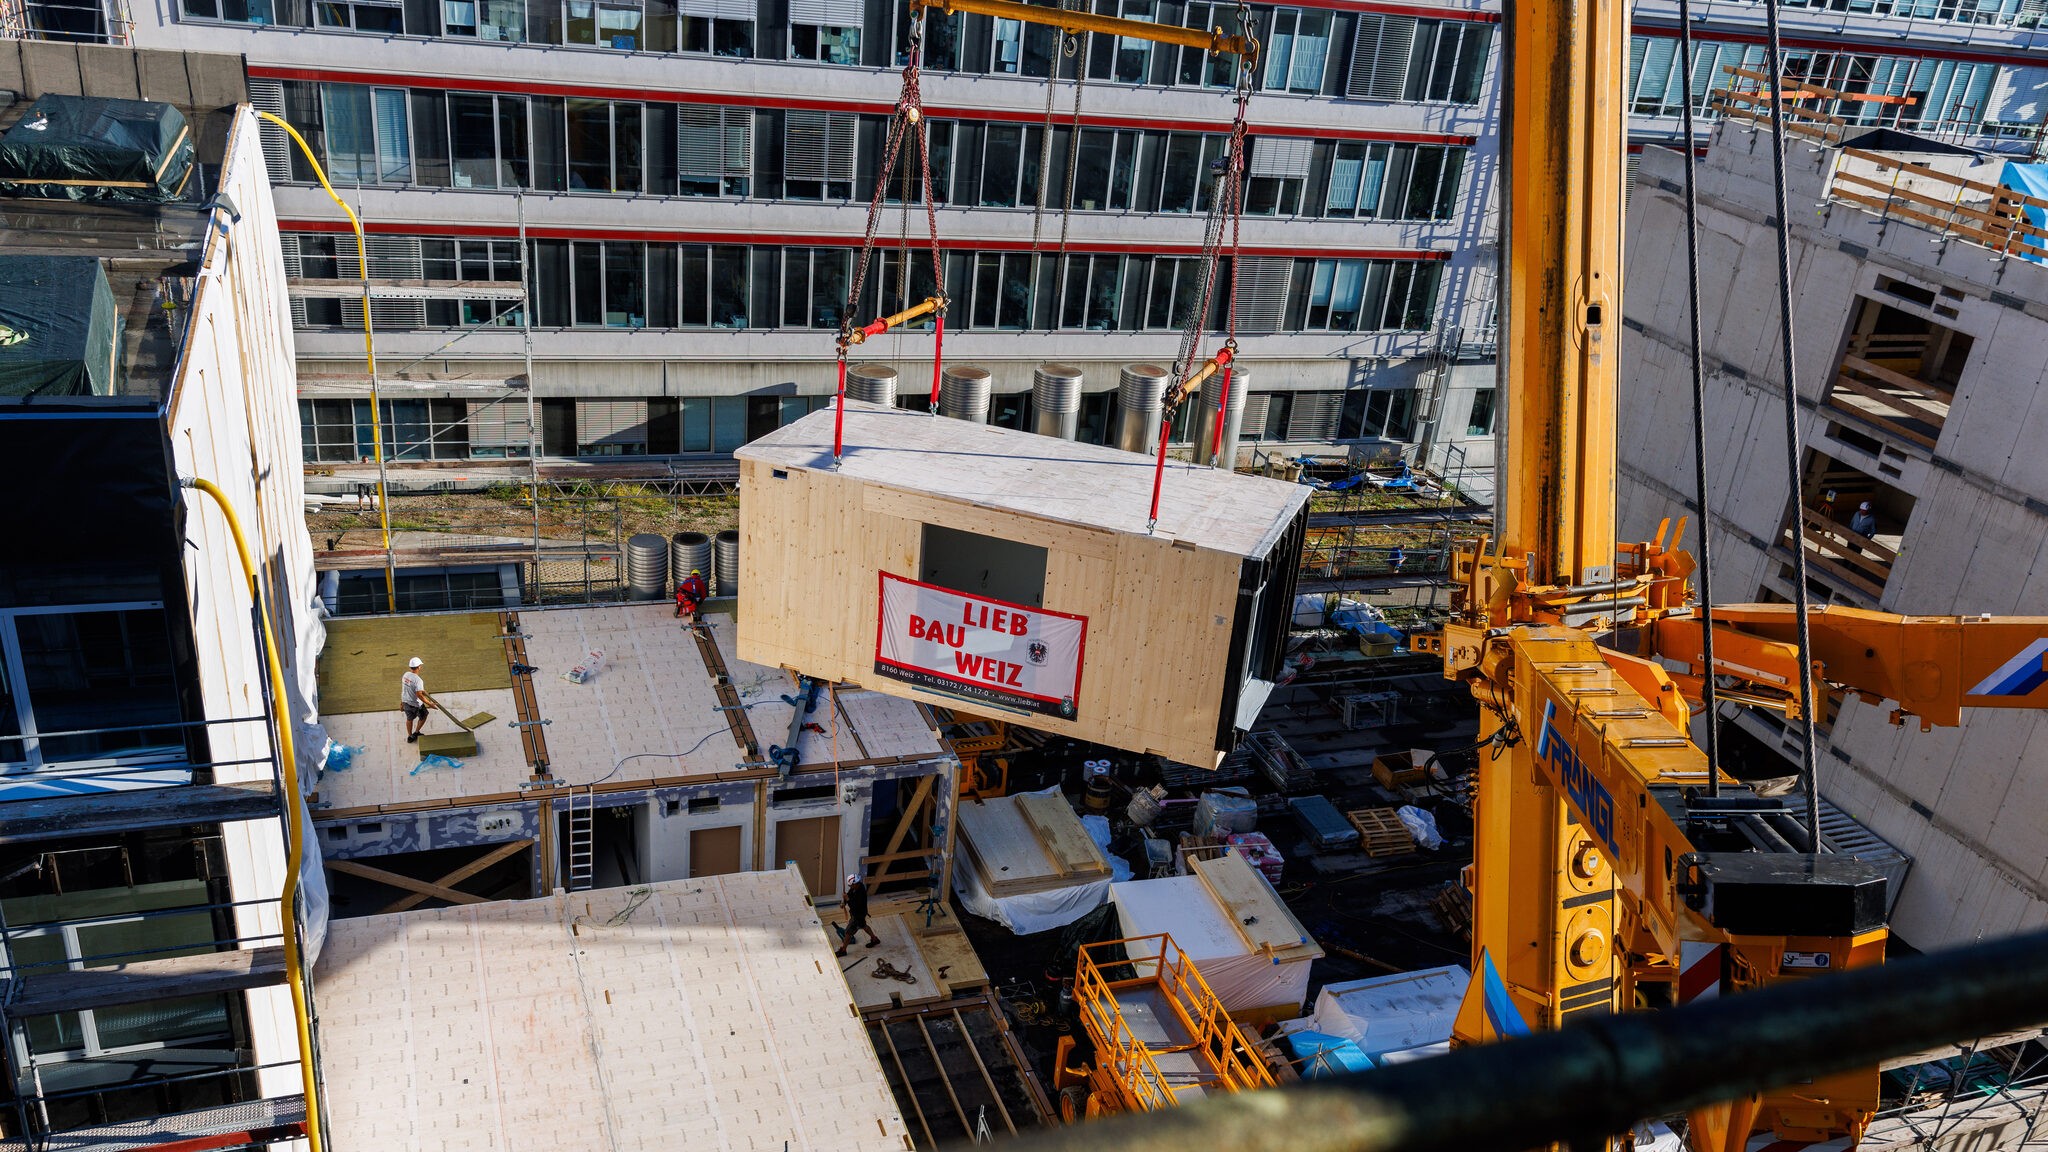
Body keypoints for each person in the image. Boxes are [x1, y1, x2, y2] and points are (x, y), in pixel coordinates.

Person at [834, 873, 880, 957]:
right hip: (859, 914)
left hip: (858, 915)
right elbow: (849, 895)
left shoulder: (861, 892)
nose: (850, 887)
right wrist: (844, 902)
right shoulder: (855, 887)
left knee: (848, 932)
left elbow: (856, 906)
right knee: (864, 926)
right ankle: (874, 939)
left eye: (851, 885)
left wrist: (847, 899)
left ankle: (843, 950)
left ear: (855, 883)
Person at [400, 656, 440, 744]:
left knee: (409, 719)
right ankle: (416, 732)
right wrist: (430, 704)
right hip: (416, 705)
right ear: (419, 667)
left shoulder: (405, 675)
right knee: (424, 715)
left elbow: (404, 690)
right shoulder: (418, 680)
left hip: (406, 702)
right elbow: (419, 695)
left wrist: (401, 704)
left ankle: (410, 736)